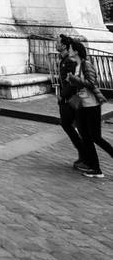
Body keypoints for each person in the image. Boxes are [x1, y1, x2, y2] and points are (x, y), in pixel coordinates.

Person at [64, 39, 113, 179]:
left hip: (92, 106)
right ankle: (95, 168)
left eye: (70, 49)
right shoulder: (76, 66)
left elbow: (92, 83)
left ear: (76, 51)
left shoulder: (87, 65)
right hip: (82, 106)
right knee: (85, 137)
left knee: (96, 137)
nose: (69, 51)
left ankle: (99, 166)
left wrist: (74, 79)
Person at [54, 35, 85, 168]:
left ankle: (84, 155)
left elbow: (72, 82)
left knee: (68, 124)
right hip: (67, 99)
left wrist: (62, 95)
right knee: (68, 124)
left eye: (57, 42)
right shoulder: (64, 60)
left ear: (64, 45)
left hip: (70, 99)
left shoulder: (70, 61)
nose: (55, 44)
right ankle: (83, 154)